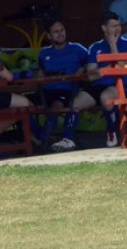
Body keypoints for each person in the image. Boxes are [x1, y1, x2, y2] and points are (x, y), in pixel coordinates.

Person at [36, 18, 89, 152]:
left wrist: (81, 70)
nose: (60, 34)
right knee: (25, 105)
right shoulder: (43, 53)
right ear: (48, 36)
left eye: (62, 30)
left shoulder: (78, 49)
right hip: (45, 91)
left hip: (67, 90)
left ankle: (49, 140)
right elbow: (40, 72)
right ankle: (35, 138)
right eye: (56, 32)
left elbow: (90, 64)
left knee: (56, 106)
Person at [85, 11, 127, 147]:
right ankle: (68, 139)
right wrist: (108, 68)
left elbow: (121, 67)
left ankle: (112, 132)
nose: (117, 29)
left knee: (105, 98)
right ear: (104, 28)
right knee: (75, 103)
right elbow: (91, 75)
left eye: (118, 25)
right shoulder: (94, 47)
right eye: (113, 26)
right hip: (96, 86)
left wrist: (113, 45)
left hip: (117, 85)